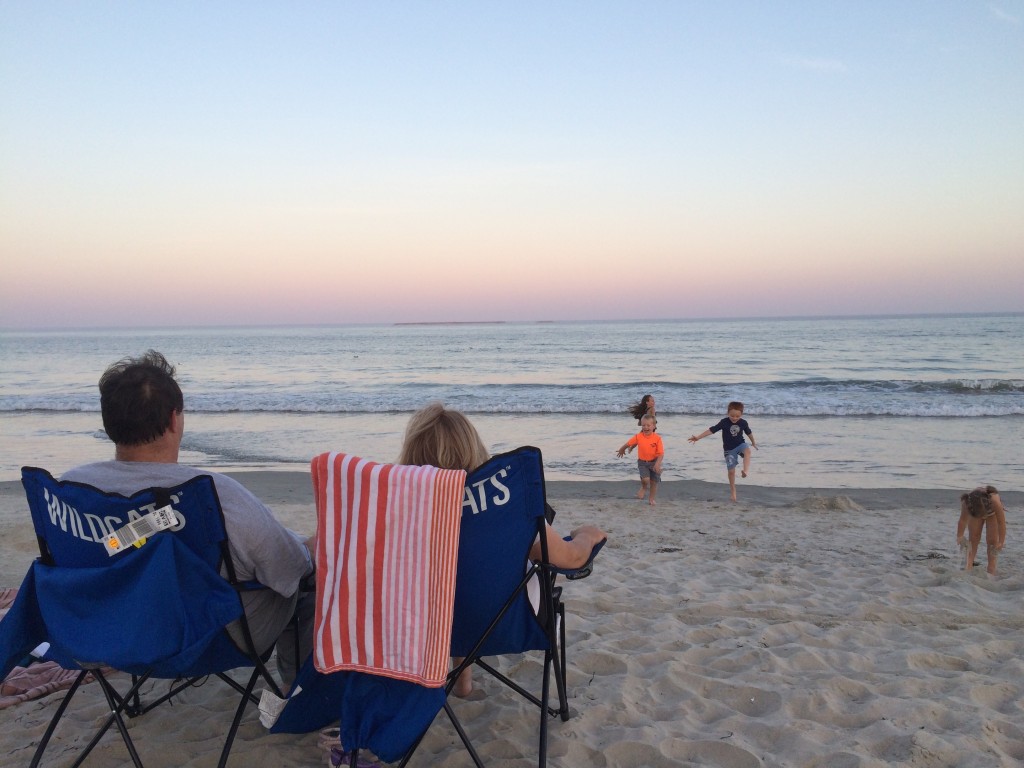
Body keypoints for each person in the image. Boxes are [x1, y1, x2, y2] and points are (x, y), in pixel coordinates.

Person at [61, 351, 314, 687]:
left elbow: (111, 545)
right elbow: (289, 570)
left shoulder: (69, 489)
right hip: (206, 642)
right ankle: (301, 690)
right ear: (173, 420)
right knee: (307, 581)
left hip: (107, 635)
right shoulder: (212, 495)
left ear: (109, 423)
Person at [398, 402, 608, 697]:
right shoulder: (506, 512)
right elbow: (571, 559)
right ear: (473, 450)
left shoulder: (399, 513)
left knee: (453, 573)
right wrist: (588, 536)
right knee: (511, 559)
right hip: (504, 622)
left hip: (421, 630)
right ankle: (464, 675)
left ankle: (462, 680)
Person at [689, 401, 757, 502]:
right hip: (729, 449)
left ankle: (745, 471)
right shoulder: (724, 422)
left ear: (741, 414)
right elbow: (711, 430)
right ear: (728, 413)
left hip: (740, 445)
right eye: (732, 415)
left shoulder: (743, 422)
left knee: (747, 451)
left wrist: (753, 442)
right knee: (731, 471)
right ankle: (733, 492)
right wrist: (698, 437)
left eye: (737, 416)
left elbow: (749, 433)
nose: (734, 418)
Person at [956, 485, 1007, 576]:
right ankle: (968, 565)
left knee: (992, 541)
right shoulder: (967, 502)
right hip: (975, 513)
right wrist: (959, 536)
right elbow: (963, 521)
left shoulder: (994, 501)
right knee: (973, 538)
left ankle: (991, 568)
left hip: (992, 514)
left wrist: (1001, 541)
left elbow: (1001, 523)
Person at [615, 414, 665, 506]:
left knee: (654, 482)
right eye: (643, 425)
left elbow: (661, 454)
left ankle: (651, 499)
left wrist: (657, 464)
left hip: (654, 462)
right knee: (646, 479)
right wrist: (622, 449)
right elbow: (628, 443)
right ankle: (644, 487)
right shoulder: (639, 436)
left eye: (648, 425)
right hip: (642, 463)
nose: (645, 427)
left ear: (654, 426)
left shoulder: (657, 438)